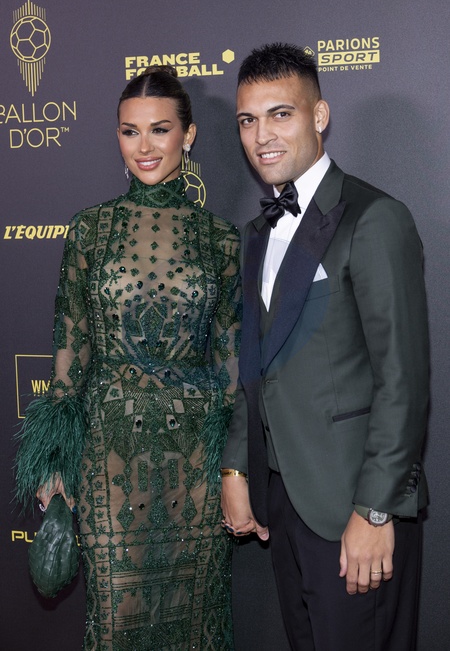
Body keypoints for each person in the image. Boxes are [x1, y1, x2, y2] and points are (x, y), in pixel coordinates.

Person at [16, 65, 241, 650]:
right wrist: (55, 459)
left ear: (188, 135)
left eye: (160, 130)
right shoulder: (88, 231)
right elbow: (70, 353)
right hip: (108, 459)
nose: (144, 147)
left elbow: (232, 366)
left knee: (195, 624)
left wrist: (233, 469)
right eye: (129, 131)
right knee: (117, 622)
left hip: (196, 463)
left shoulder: (221, 239)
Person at [221, 42, 429, 651]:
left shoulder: (374, 218)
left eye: (280, 114)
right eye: (247, 120)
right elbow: (252, 365)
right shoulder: (255, 235)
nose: (261, 135)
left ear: (319, 116)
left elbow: (403, 381)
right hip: (285, 504)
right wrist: (237, 466)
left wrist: (376, 511)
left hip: (353, 508)